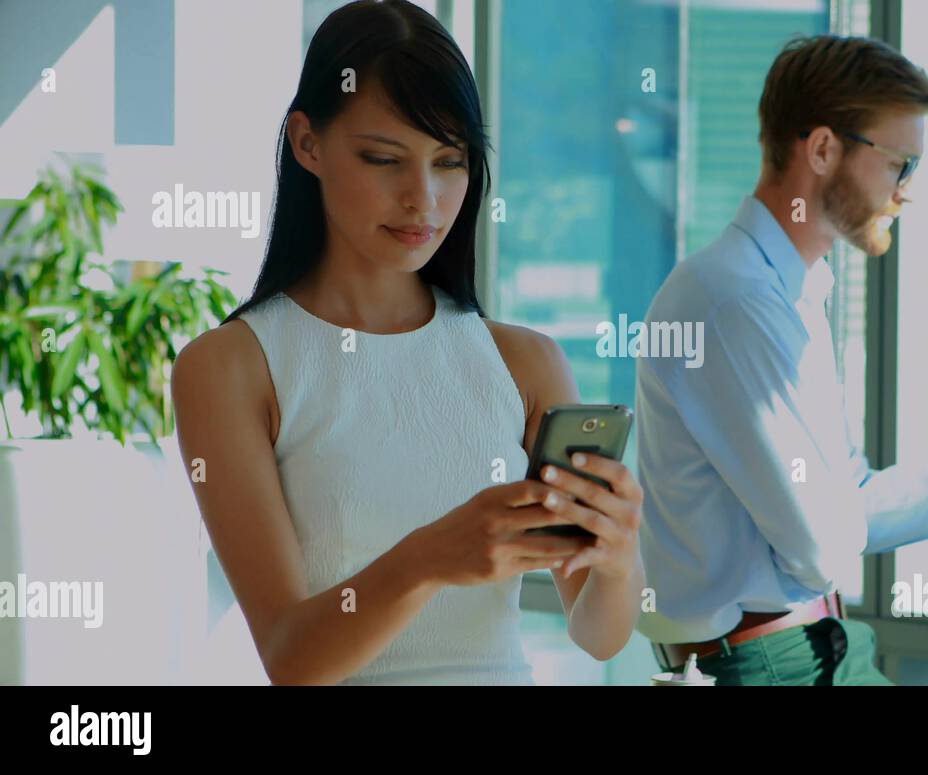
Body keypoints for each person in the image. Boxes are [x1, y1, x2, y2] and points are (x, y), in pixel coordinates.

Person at [171, 0, 644, 685]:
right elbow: (291, 658)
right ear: (308, 143)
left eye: (449, 161)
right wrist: (428, 557)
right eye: (384, 159)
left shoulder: (526, 362)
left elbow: (599, 634)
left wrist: (620, 554)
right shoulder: (230, 367)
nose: (423, 199)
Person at [634, 35, 928, 685]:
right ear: (824, 149)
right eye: (899, 164)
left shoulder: (793, 294)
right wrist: (837, 516)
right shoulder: (735, 303)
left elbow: (849, 508)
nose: (907, 191)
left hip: (809, 644)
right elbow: (824, 544)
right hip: (766, 664)